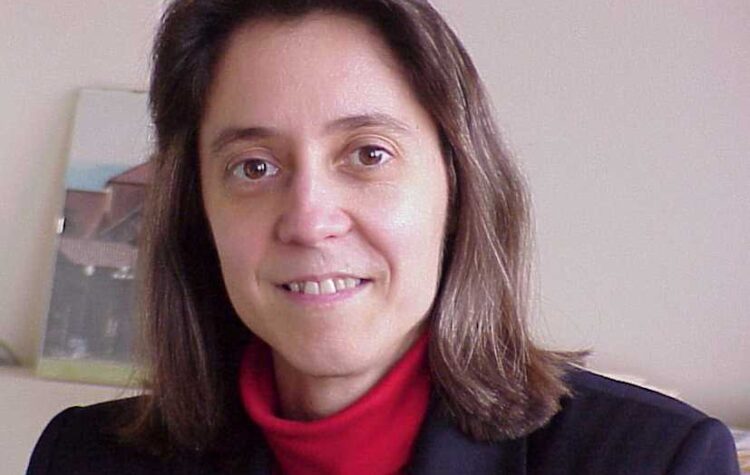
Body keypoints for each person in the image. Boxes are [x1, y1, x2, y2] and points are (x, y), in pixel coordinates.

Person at [27, 1, 740, 474]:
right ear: (198, 213)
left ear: (457, 189)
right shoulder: (84, 457)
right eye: (254, 166)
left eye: (367, 154)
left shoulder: (653, 460)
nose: (309, 218)